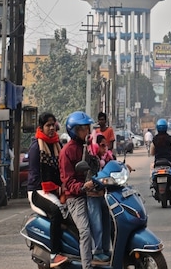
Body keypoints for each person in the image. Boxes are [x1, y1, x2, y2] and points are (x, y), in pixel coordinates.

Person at [59, 111, 108, 268]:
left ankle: (104, 254)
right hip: (76, 197)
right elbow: (67, 181)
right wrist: (81, 187)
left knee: (110, 217)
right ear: (74, 130)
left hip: (91, 193)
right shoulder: (67, 151)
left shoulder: (88, 147)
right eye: (83, 129)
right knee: (85, 231)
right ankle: (87, 266)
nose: (87, 131)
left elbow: (97, 166)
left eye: (88, 128)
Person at [27, 112, 67, 268]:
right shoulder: (37, 147)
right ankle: (54, 253)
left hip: (54, 190)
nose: (51, 128)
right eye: (47, 125)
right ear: (41, 127)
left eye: (53, 125)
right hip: (38, 191)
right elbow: (36, 177)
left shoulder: (57, 144)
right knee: (57, 211)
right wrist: (54, 188)